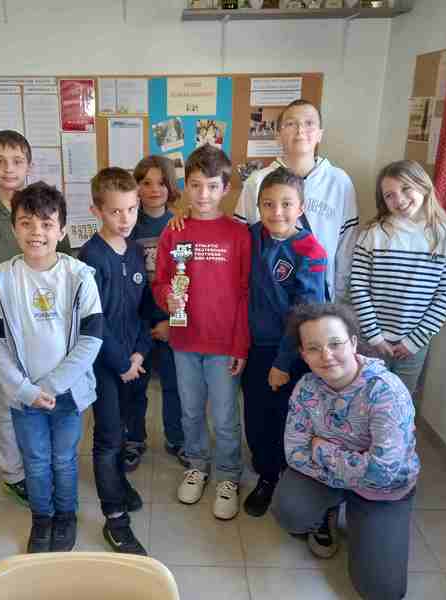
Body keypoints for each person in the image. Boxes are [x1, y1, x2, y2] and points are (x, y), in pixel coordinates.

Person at [0, 182, 103, 553]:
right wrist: (26, 390)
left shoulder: (80, 276)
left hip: (66, 393)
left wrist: (51, 385)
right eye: (27, 223)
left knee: (64, 459)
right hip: (23, 396)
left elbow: (91, 339)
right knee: (34, 460)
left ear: (62, 230)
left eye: (47, 224)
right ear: (14, 228)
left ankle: (66, 515)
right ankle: (42, 517)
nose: (37, 232)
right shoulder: (1, 280)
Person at [272, 303, 420, 600]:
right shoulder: (306, 387)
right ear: (303, 354)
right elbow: (295, 454)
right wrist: (350, 464)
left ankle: (361, 517)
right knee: (289, 512)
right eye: (313, 348)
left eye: (335, 343)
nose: (326, 355)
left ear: (353, 343)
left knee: (383, 592)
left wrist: (322, 448)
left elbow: (381, 474)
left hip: (383, 491)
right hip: (329, 478)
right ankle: (330, 508)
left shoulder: (386, 391)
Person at [0, 130, 71, 506]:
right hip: (0, 327)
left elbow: (65, 263)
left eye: (17, 161)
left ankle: (48, 463)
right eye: (0, 161)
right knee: (9, 399)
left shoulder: (42, 207)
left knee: (48, 394)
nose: (9, 169)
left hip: (47, 324)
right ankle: (14, 472)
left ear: (29, 164)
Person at [153, 145, 251, 521]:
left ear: (225, 188)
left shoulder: (239, 235)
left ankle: (228, 474)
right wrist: (168, 300)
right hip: (184, 340)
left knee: (225, 416)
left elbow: (245, 294)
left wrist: (241, 343)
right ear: (185, 186)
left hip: (224, 344)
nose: (203, 195)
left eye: (212, 186)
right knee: (191, 411)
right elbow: (161, 282)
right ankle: (197, 464)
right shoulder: (174, 231)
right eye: (195, 186)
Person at [242, 167, 327, 518]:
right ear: (258, 207)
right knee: (255, 412)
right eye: (268, 204)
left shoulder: (310, 250)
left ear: (302, 207)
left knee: (283, 415)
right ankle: (265, 465)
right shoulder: (252, 235)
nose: (277, 212)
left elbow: (303, 314)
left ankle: (275, 474)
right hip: (250, 346)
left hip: (287, 352)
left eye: (286, 204)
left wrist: (282, 361)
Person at [78, 167, 151, 555]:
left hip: (133, 360)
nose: (125, 219)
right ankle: (114, 518)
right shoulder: (90, 257)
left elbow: (142, 311)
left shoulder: (136, 249)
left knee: (126, 428)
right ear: (97, 211)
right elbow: (94, 321)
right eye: (115, 212)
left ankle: (118, 482)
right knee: (107, 438)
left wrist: (140, 352)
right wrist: (121, 361)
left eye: (131, 210)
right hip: (104, 365)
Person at [349, 160, 446, 396]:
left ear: (423, 186)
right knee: (365, 400)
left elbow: (444, 297)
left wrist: (414, 341)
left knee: (402, 401)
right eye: (389, 195)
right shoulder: (373, 234)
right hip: (372, 339)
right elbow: (359, 286)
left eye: (405, 188)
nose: (399, 199)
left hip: (414, 344)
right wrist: (374, 335)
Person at [235, 99, 358, 302]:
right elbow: (240, 240)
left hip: (318, 298)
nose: (300, 130)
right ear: (278, 135)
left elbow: (347, 246)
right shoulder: (257, 181)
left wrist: (338, 298)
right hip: (266, 301)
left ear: (320, 134)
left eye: (309, 123)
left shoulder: (339, 182)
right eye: (291, 124)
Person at [128, 155, 188, 470]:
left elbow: (185, 281)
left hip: (170, 319)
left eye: (161, 183)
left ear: (171, 186)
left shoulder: (180, 225)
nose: (154, 189)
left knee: (173, 383)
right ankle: (134, 439)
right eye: (146, 183)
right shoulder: (127, 224)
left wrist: (172, 323)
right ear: (135, 187)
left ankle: (176, 438)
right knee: (135, 383)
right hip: (137, 320)